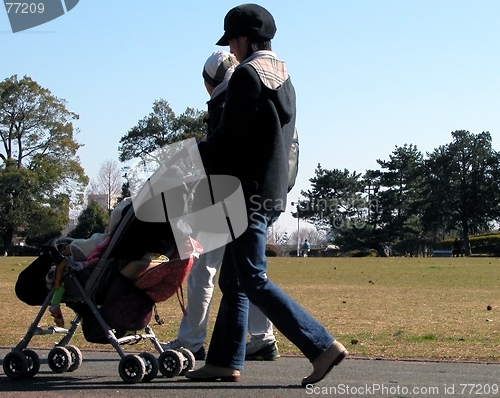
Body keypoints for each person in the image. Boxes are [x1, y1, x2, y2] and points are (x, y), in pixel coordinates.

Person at [186, 4, 347, 386]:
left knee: (253, 278)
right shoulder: (285, 78)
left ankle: (321, 345)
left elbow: (228, 142)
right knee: (236, 280)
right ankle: (224, 360)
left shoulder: (245, 77)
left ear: (244, 39)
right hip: (272, 192)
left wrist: (191, 153)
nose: (233, 51)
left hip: (243, 192)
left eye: (233, 42)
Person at [161, 50, 279, 362]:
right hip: (255, 196)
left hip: (223, 197)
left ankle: (191, 340)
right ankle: (263, 336)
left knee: (203, 271)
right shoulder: (252, 90)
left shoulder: (223, 98)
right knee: (249, 270)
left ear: (209, 80)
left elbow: (219, 153)